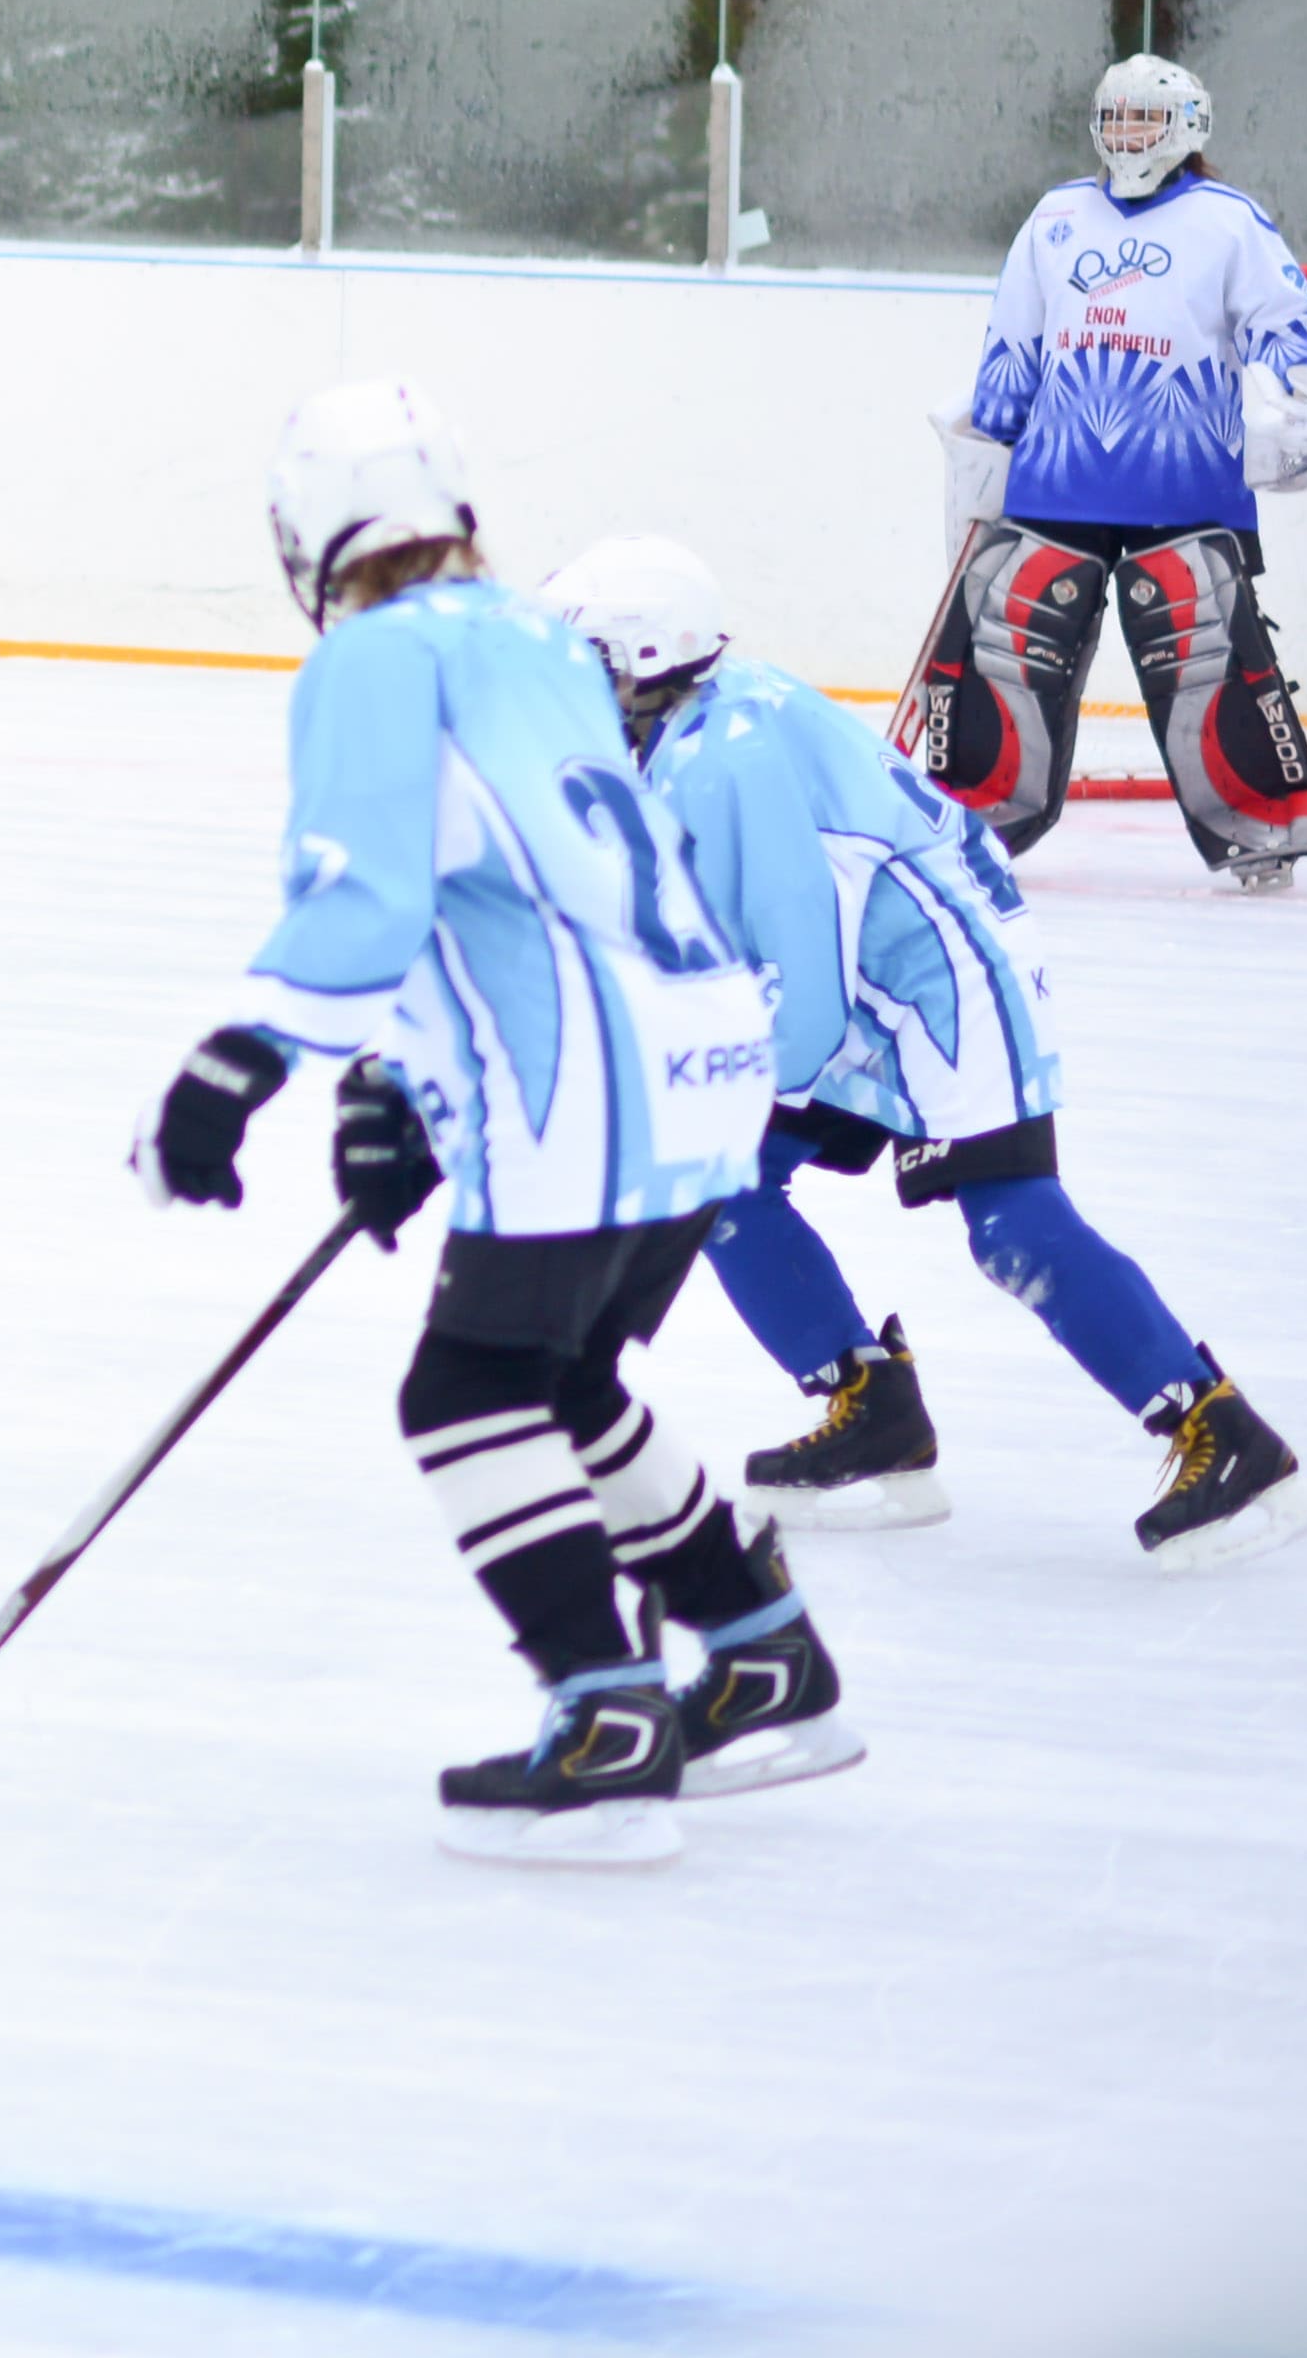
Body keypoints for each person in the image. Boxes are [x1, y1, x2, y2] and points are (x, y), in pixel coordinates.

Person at [138, 383, 839, 1865]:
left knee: (463, 1396)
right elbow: (511, 871)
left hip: (585, 1078)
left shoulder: (370, 661)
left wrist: (238, 1066)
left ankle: (607, 1719)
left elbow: (371, 893)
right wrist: (397, 1085)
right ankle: (766, 1659)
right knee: (568, 1378)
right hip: (703, 1056)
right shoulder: (535, 635)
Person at [545, 532, 1307, 1577]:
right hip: (867, 970)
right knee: (726, 1177)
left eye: (579, 658)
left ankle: (1222, 1434)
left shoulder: (722, 755)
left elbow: (800, 1003)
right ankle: (870, 1413)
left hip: (948, 976)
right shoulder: (692, 724)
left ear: (640, 656)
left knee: (1008, 1219)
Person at [914, 54, 1307, 889]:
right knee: (1006, 640)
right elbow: (1016, 338)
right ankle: (971, 814)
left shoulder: (1229, 221)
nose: (1127, 137)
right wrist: (994, 434)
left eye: (1144, 121)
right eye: (1114, 120)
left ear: (1188, 128)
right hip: (1057, 480)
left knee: (1205, 645)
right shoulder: (1057, 217)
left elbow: (1286, 321)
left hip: (1184, 482)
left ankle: (1261, 823)